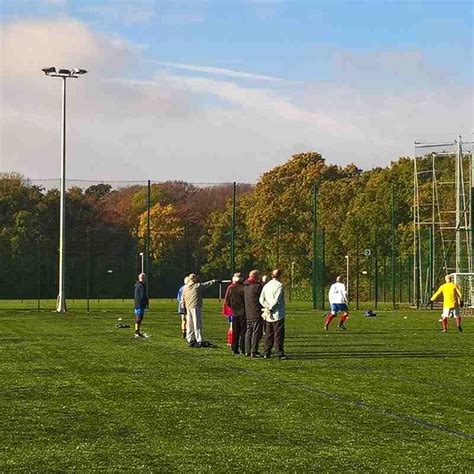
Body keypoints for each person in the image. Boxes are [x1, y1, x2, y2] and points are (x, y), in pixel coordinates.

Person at [182, 273, 218, 347]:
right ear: (193, 278)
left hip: (188, 307)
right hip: (195, 307)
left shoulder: (185, 287)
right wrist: (214, 281)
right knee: (197, 324)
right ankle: (199, 340)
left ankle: (190, 339)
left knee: (190, 324)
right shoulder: (197, 286)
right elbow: (206, 284)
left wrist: (183, 307)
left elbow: (183, 298)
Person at [259, 268, 287, 360]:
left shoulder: (266, 285)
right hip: (277, 313)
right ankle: (279, 353)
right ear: (280, 276)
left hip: (268, 314)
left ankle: (267, 352)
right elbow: (277, 299)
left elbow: (261, 299)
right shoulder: (280, 285)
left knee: (268, 333)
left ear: (271, 275)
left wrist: (266, 307)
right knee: (278, 334)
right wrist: (271, 308)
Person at [225, 273, 246, 354]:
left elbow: (227, 301)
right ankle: (243, 348)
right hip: (243, 312)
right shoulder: (244, 289)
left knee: (235, 331)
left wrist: (233, 307)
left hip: (234, 312)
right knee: (243, 332)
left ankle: (234, 348)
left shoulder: (230, 288)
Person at [244, 269, 263, 357]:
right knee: (256, 332)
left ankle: (247, 350)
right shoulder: (257, 287)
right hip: (256, 312)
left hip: (248, 312)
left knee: (249, 332)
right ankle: (254, 350)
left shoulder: (245, 286)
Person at [133, 273, 149, 338]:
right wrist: (145, 303)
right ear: (143, 278)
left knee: (138, 318)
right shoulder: (141, 285)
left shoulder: (137, 285)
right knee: (139, 318)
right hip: (140, 304)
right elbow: (142, 296)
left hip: (137, 304)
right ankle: (137, 332)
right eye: (145, 278)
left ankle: (137, 332)